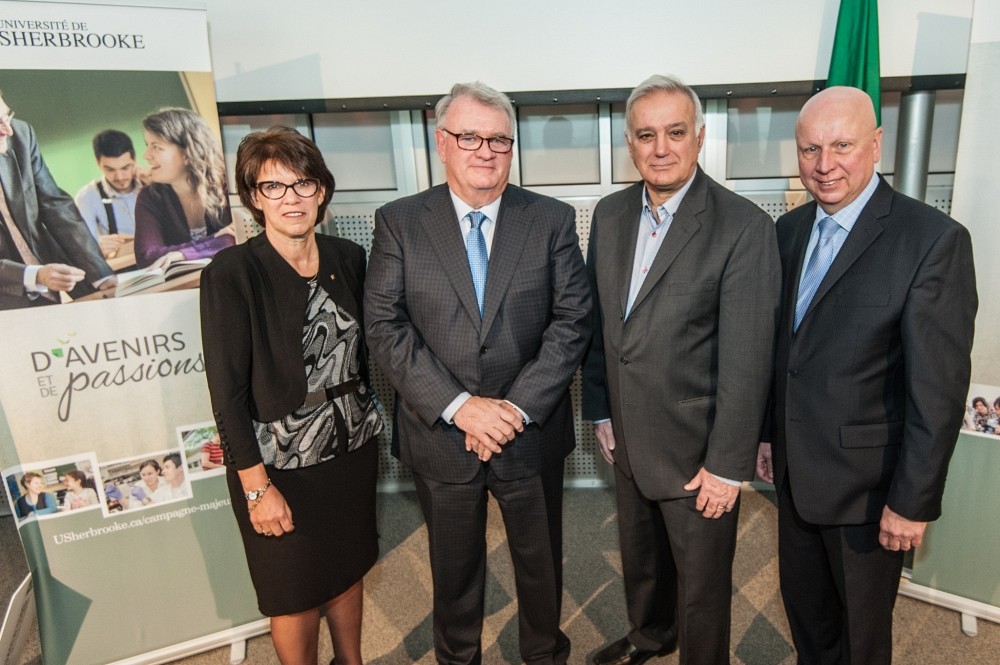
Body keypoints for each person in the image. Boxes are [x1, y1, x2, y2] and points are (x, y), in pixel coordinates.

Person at [365, 81, 592, 665]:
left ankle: (544, 656)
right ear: (442, 143)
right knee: (453, 571)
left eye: (498, 139)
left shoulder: (550, 219)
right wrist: (460, 406)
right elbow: (386, 328)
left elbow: (572, 320)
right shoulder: (399, 222)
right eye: (470, 137)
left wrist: (512, 410)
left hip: (529, 433)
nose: (485, 151)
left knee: (540, 567)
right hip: (441, 434)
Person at [756, 86, 977, 665]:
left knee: (861, 640)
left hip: (870, 493)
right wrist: (765, 434)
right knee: (809, 623)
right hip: (795, 478)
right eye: (809, 150)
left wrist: (913, 501)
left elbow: (939, 390)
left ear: (876, 144)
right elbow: (784, 351)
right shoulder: (787, 232)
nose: (824, 165)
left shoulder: (932, 241)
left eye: (842, 145)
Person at [581, 74, 780, 665]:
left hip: (699, 453)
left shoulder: (743, 227)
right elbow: (603, 327)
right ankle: (649, 635)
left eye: (674, 132)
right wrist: (600, 409)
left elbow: (749, 360)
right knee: (641, 561)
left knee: (701, 588)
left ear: (699, 136)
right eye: (646, 135)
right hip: (627, 438)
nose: (660, 148)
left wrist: (727, 465)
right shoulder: (612, 214)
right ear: (630, 143)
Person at [201, 125, 383, 665]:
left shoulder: (347, 255)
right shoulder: (232, 272)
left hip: (351, 447)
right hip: (278, 461)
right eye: (273, 187)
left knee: (348, 569)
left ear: (322, 190)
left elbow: (369, 352)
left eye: (303, 183)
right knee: (294, 593)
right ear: (255, 198)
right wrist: (256, 487)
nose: (292, 199)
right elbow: (226, 394)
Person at [0, 89, 115, 309]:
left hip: (49, 287)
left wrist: (100, 273)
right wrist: (33, 275)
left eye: (7, 116)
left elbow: (55, 206)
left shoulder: (21, 135)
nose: (8, 130)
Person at [134, 108, 235, 269]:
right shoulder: (149, 197)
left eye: (156, 147)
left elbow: (243, 237)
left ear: (187, 153)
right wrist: (213, 241)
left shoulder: (230, 185)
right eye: (148, 145)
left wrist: (182, 254)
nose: (146, 155)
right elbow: (147, 256)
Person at [74, 129, 143, 259]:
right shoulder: (87, 197)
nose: (120, 177)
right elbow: (84, 251)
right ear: (98, 163)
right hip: (122, 269)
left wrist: (156, 186)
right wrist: (96, 249)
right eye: (110, 169)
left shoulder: (154, 185)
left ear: (135, 159)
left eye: (125, 167)